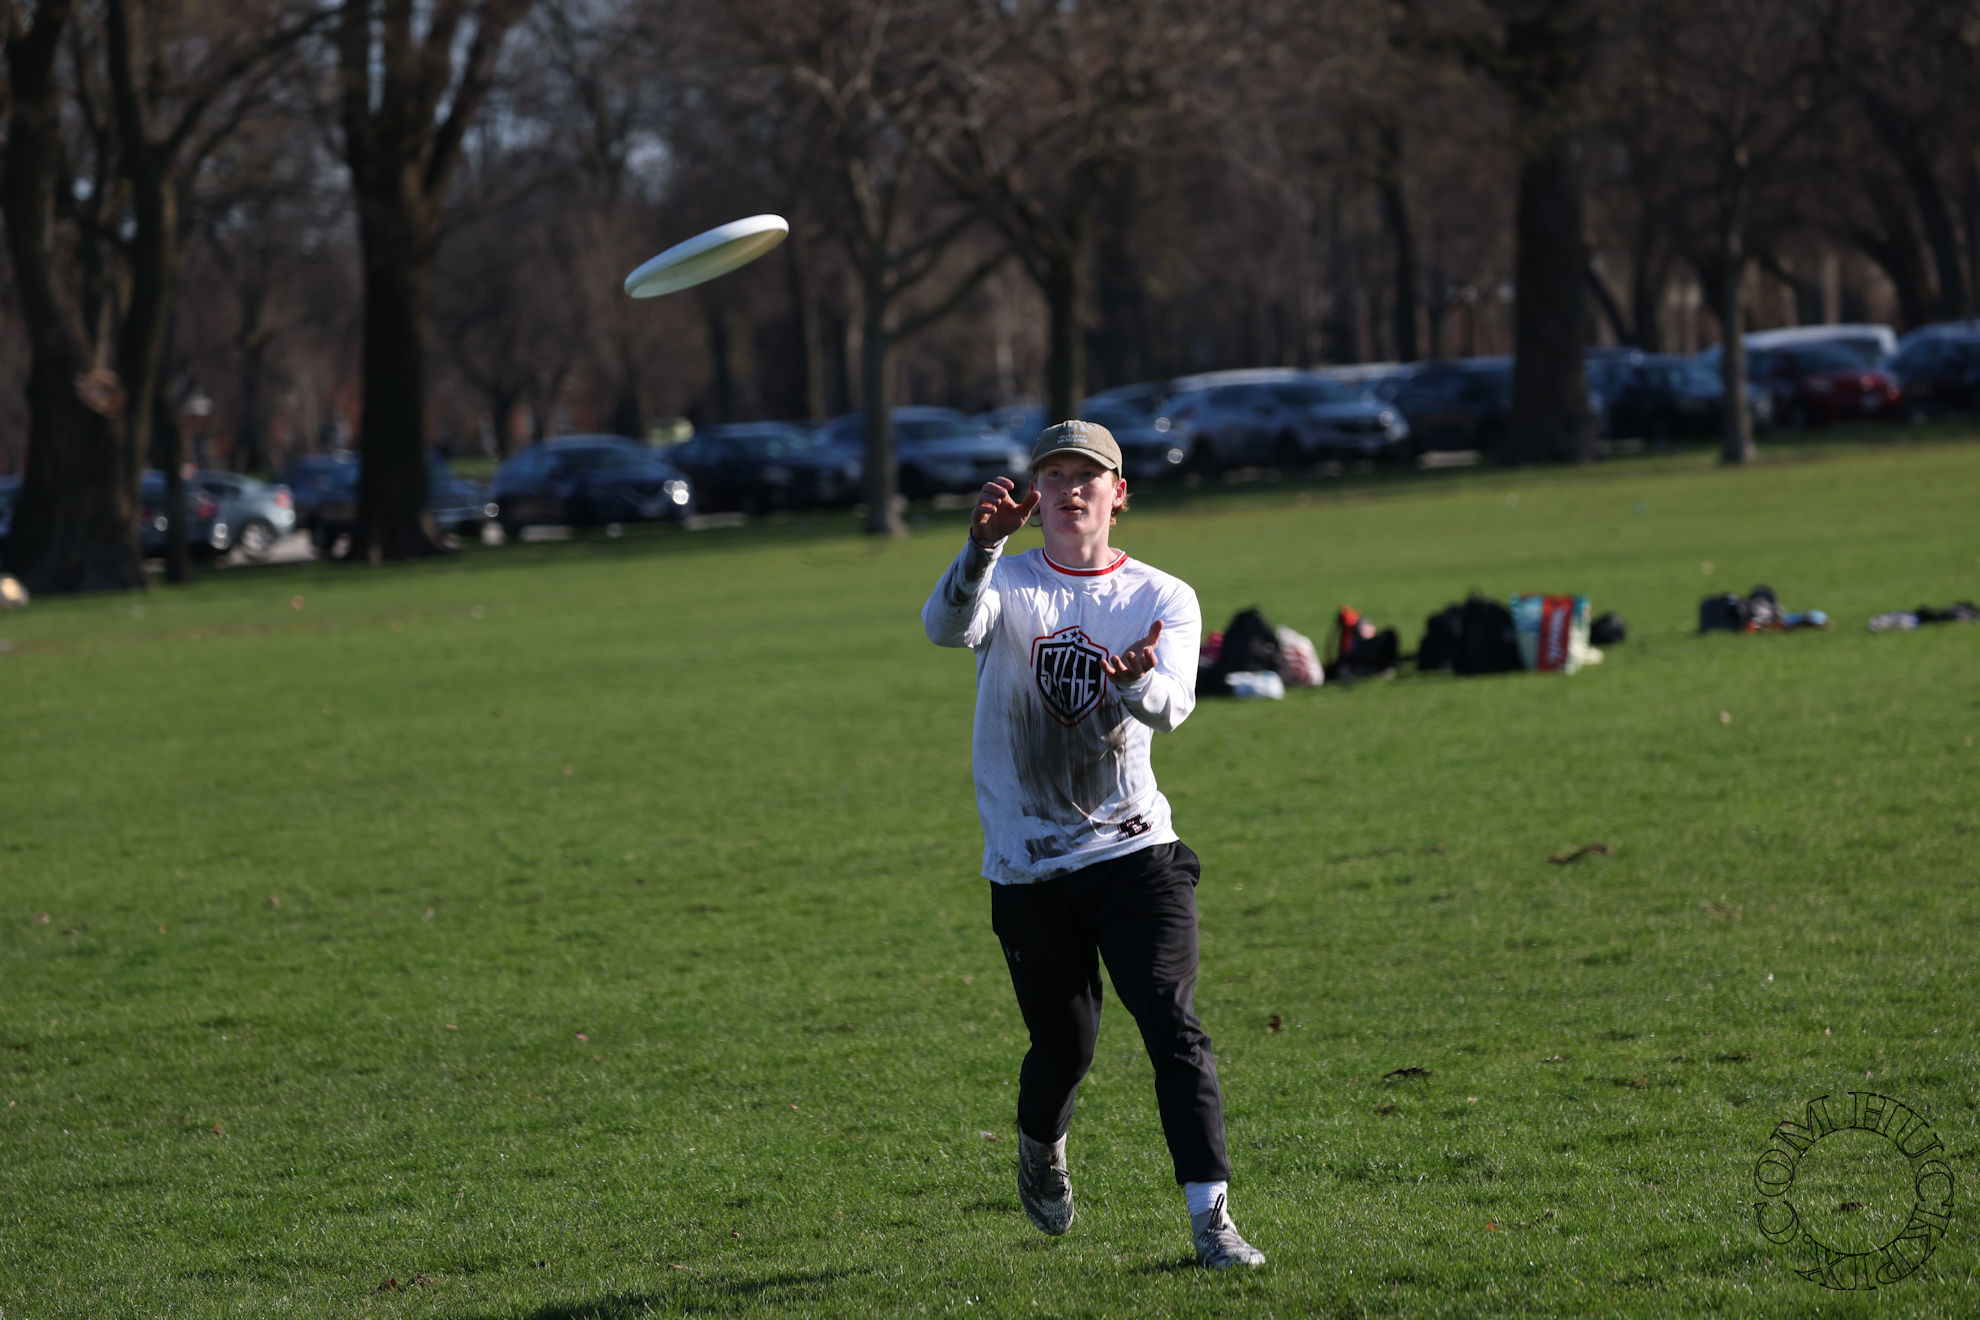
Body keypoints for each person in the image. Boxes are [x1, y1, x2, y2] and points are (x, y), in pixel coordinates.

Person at [920, 419, 1265, 1269]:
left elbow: (1173, 707)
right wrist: (980, 548)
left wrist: (1137, 680)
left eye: (1088, 476)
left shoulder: (1161, 595)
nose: (1071, 489)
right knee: (1064, 1048)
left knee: (1172, 1024)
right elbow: (945, 627)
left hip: (1135, 851)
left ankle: (1213, 1220)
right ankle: (1041, 1143)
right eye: (1055, 476)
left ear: (1120, 494)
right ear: (1034, 496)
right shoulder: (1009, 580)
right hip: (1028, 863)